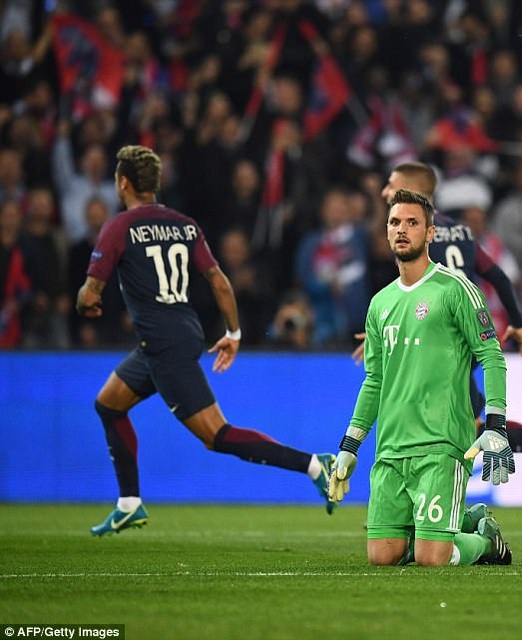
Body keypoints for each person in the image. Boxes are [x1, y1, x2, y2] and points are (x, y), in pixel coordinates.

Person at [77, 145, 336, 536]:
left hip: (164, 342)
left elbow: (90, 293)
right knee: (109, 405)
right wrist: (233, 332)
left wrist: (87, 303)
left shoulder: (119, 226)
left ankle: (315, 464)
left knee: (216, 435)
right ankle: (129, 503)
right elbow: (217, 279)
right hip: (176, 332)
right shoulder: (184, 224)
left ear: (123, 182)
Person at [354, 161, 522, 482]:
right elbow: (497, 276)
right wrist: (517, 322)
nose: (385, 191)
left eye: (392, 185)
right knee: (464, 425)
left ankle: (447, 515)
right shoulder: (461, 231)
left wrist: (389, 325)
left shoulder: (418, 235)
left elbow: (420, 293)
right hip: (461, 336)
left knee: (446, 430)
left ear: (414, 190)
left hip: (437, 339)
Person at [326, 188, 514, 567]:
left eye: (413, 222)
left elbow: (491, 356)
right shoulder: (380, 303)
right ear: (386, 231)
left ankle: (486, 541)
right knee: (382, 557)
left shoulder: (456, 289)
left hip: (441, 445)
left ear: (430, 233)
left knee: (432, 559)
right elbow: (374, 380)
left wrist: (496, 423)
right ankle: (457, 520)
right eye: (395, 222)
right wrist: (349, 446)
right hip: (392, 448)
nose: (402, 229)